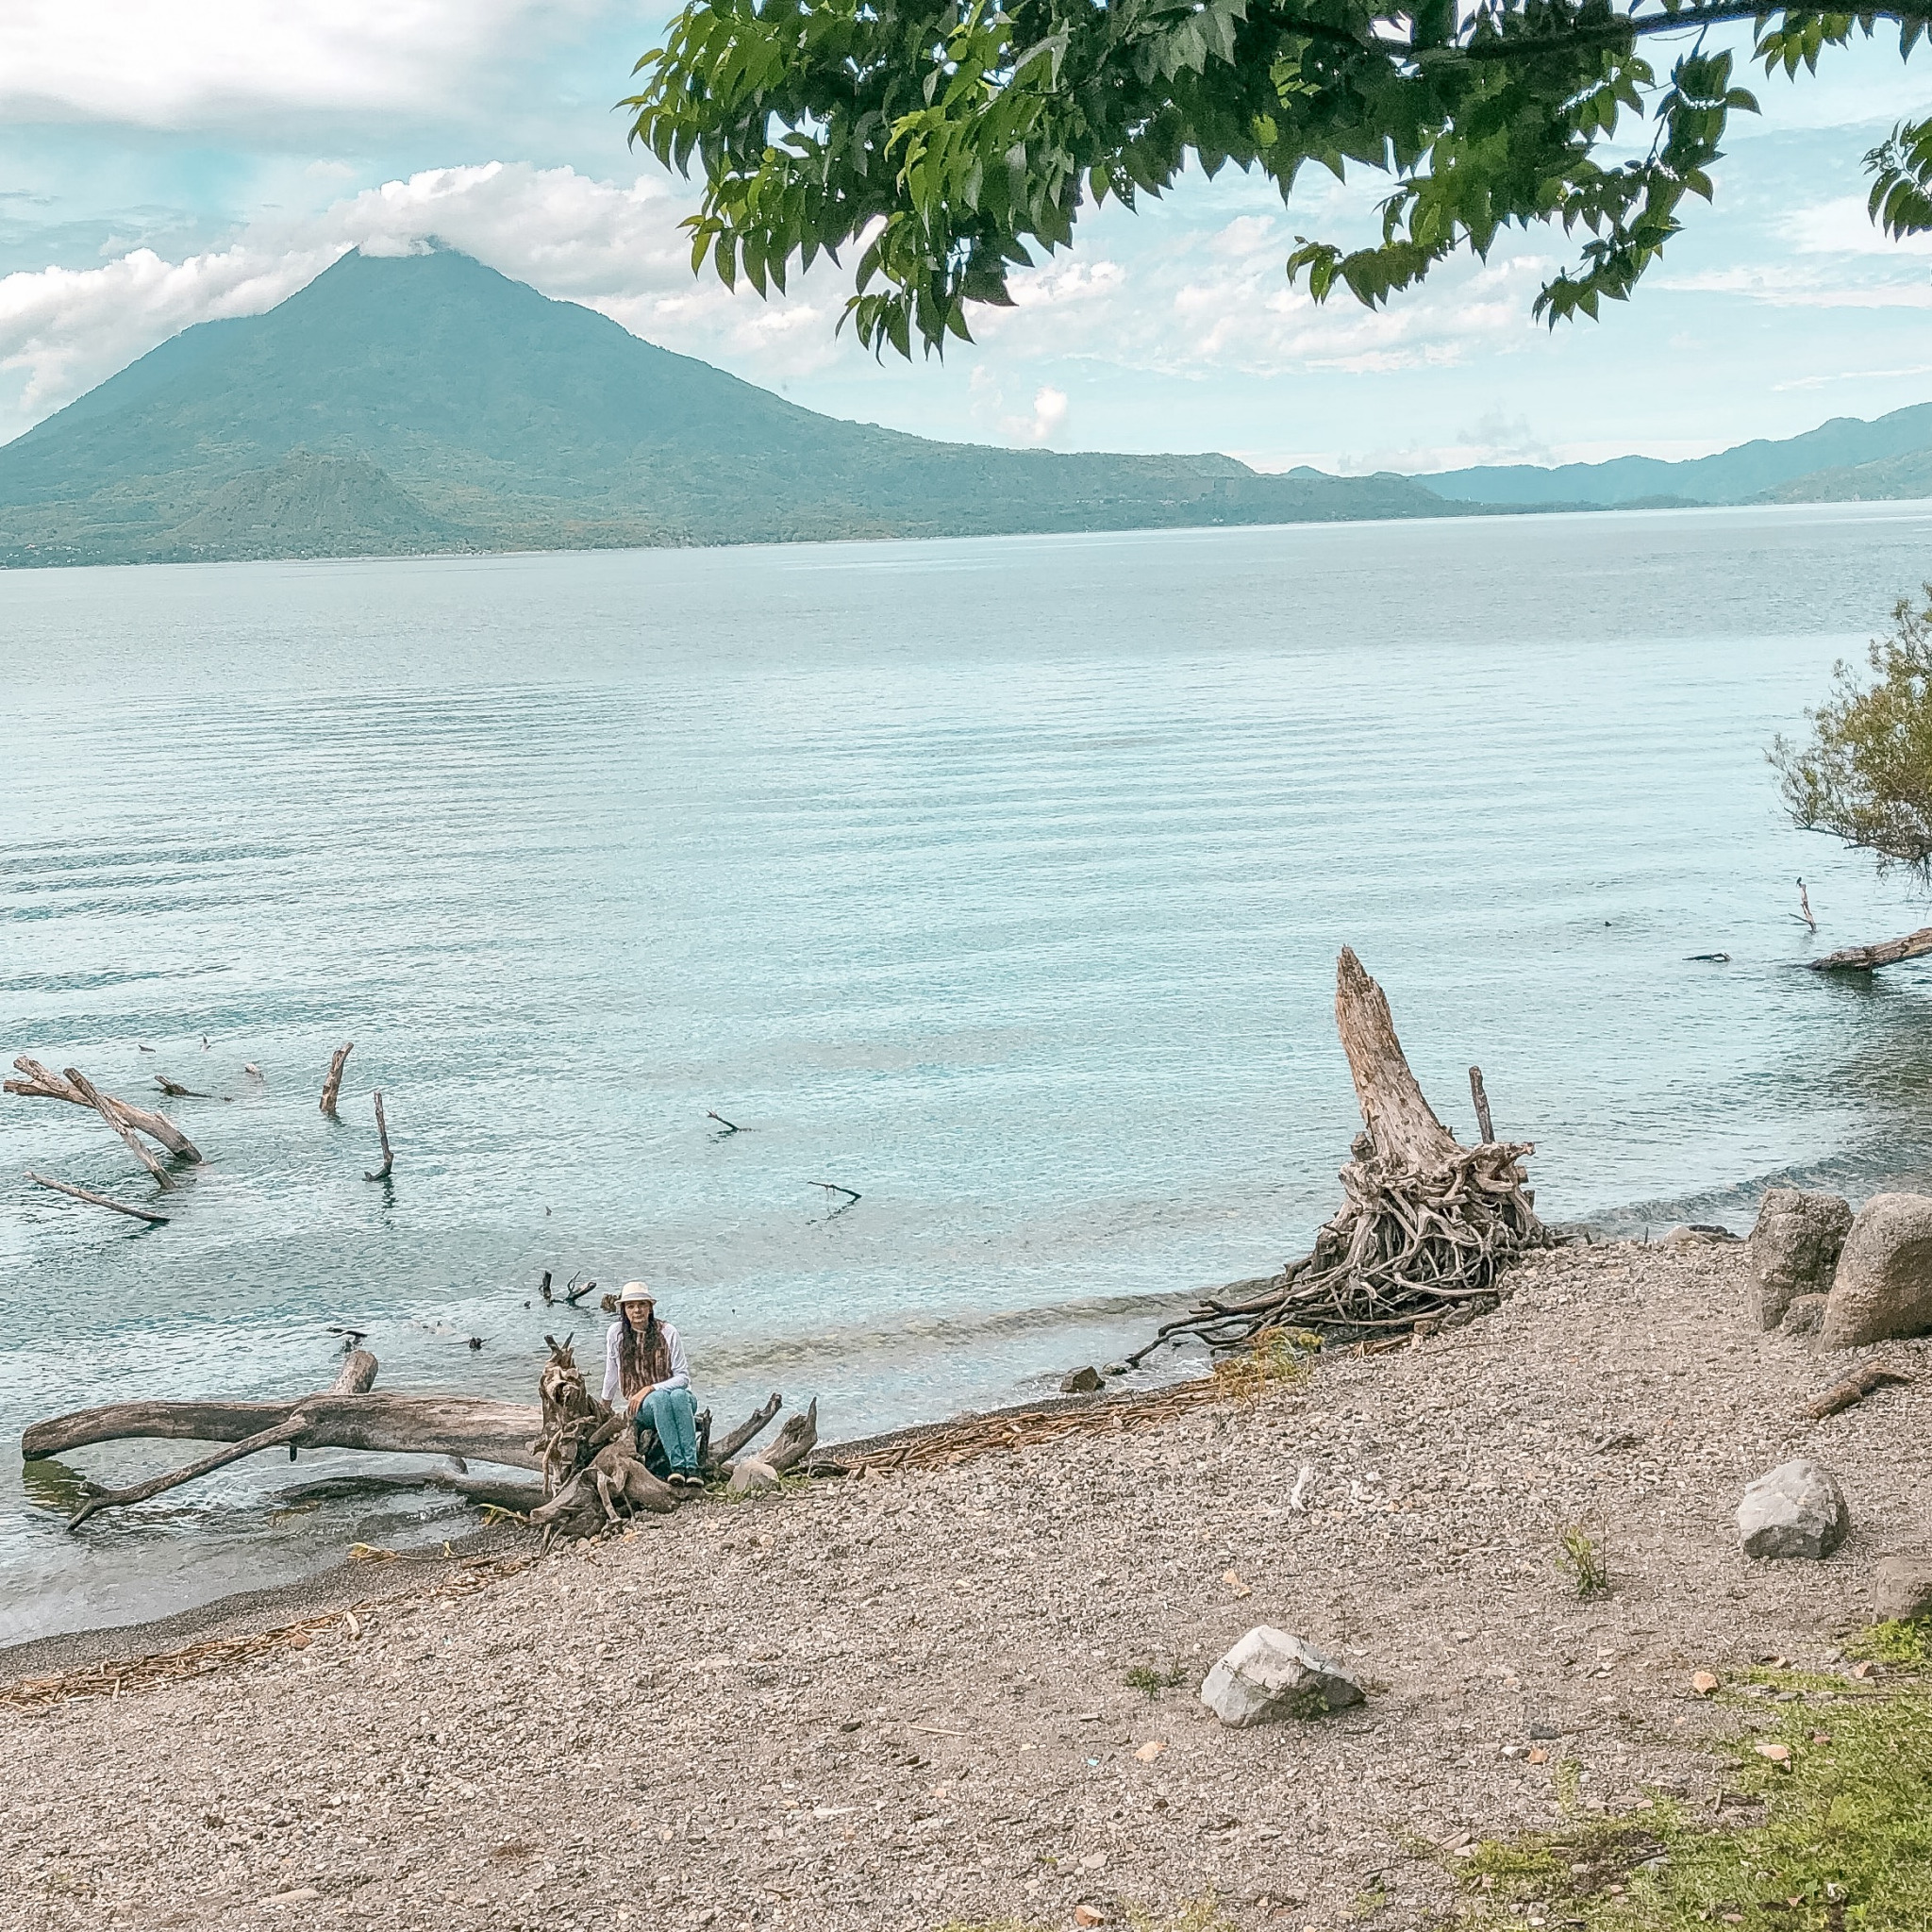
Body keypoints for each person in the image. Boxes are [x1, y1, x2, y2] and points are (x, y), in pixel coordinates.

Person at [602, 1282, 702, 1488]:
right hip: (643, 1408)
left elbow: (682, 1378)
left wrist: (649, 1388)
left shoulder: (668, 1332)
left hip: (678, 1401)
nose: (636, 1310)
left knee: (678, 1395)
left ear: (650, 1307)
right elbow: (612, 1372)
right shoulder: (616, 1333)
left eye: (641, 1305)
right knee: (659, 1399)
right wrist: (605, 1407)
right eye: (630, 1306)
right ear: (624, 1310)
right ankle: (678, 1466)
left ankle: (691, 1468)